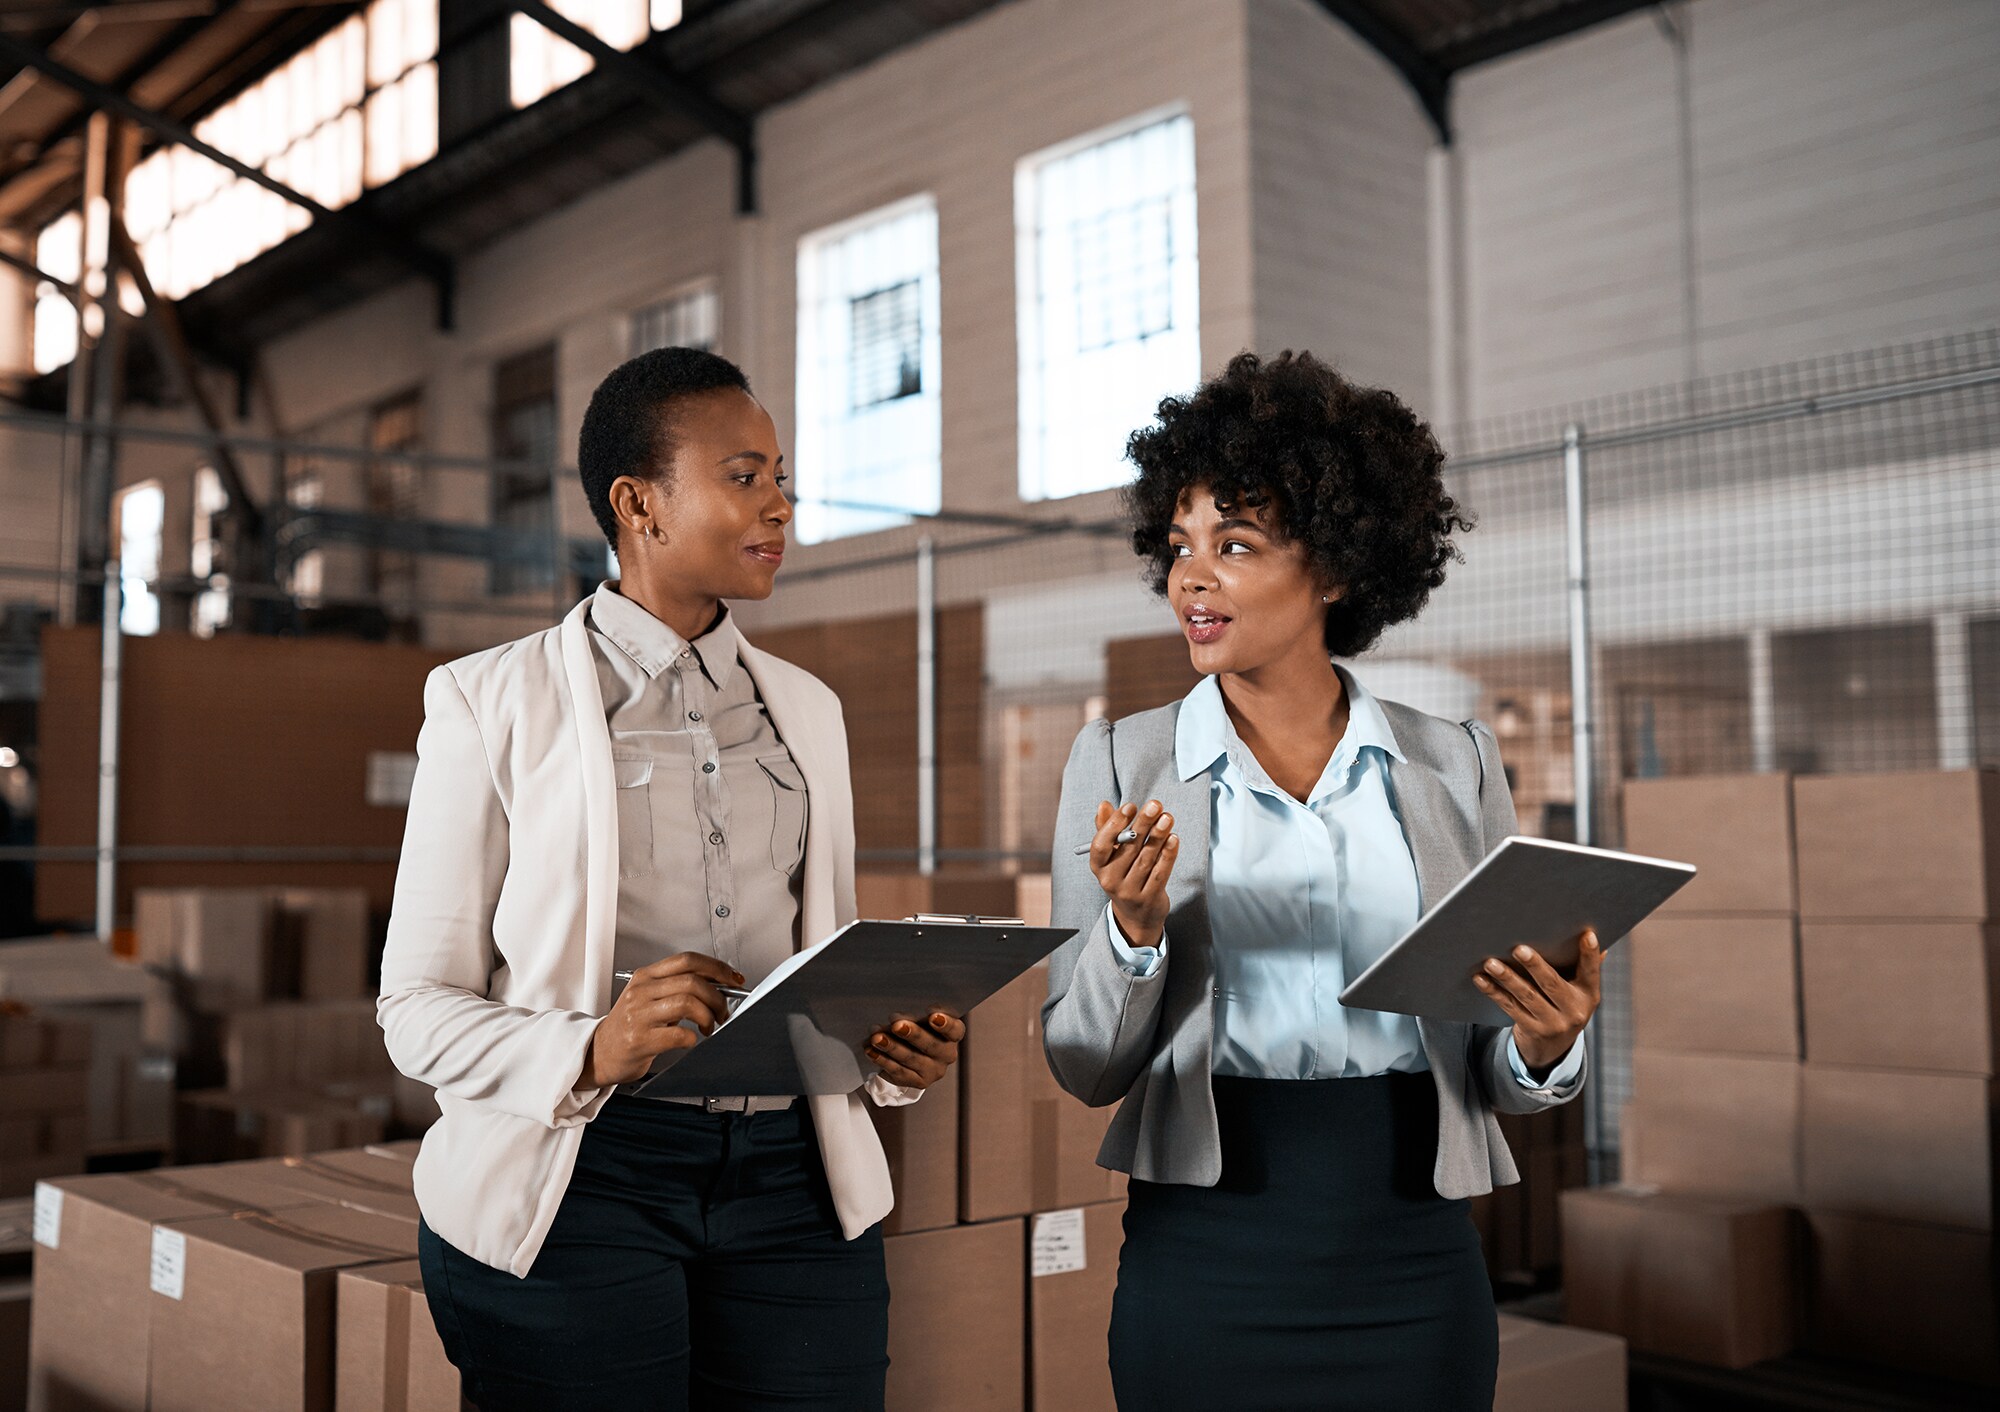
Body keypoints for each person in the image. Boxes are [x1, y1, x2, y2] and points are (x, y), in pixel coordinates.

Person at [378, 347, 966, 1411]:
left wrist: (889, 1055)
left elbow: (816, 949)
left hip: (791, 1173)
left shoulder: (808, 709)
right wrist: (590, 1044)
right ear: (637, 502)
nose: (780, 504)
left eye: (780, 476)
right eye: (745, 477)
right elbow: (413, 1010)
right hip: (584, 1175)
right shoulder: (488, 701)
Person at [1042, 351, 1600, 1411]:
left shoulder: (1456, 763)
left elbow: (1494, 1058)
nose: (1189, 578)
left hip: (1410, 1239)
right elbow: (1082, 1062)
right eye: (1178, 548)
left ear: (1339, 568)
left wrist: (1544, 1042)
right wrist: (1131, 932)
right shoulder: (1118, 763)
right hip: (1206, 1241)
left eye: (1234, 544)